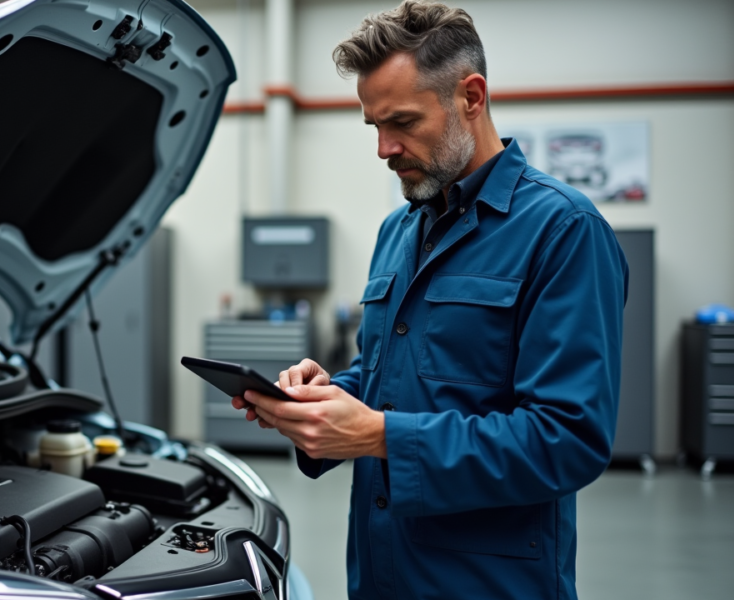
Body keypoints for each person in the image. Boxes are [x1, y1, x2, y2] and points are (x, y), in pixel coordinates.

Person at [231, 2, 629, 598]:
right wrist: (325, 400)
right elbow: (387, 376)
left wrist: (378, 436)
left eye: (403, 122)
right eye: (373, 126)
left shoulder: (563, 231)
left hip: (485, 581)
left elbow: (566, 440)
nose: (384, 148)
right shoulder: (399, 231)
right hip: (381, 573)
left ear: (471, 97)